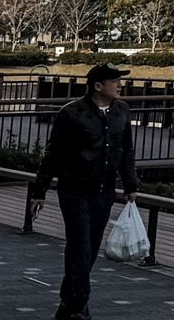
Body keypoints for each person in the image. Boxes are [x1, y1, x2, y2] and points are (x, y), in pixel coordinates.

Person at [26, 63, 139, 320]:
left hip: (105, 190)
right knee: (80, 245)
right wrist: (39, 190)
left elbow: (126, 151)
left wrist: (131, 185)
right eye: (114, 81)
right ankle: (79, 306)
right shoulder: (72, 113)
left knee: (90, 245)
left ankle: (69, 302)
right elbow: (52, 153)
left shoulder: (122, 111)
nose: (120, 85)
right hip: (74, 188)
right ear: (97, 86)